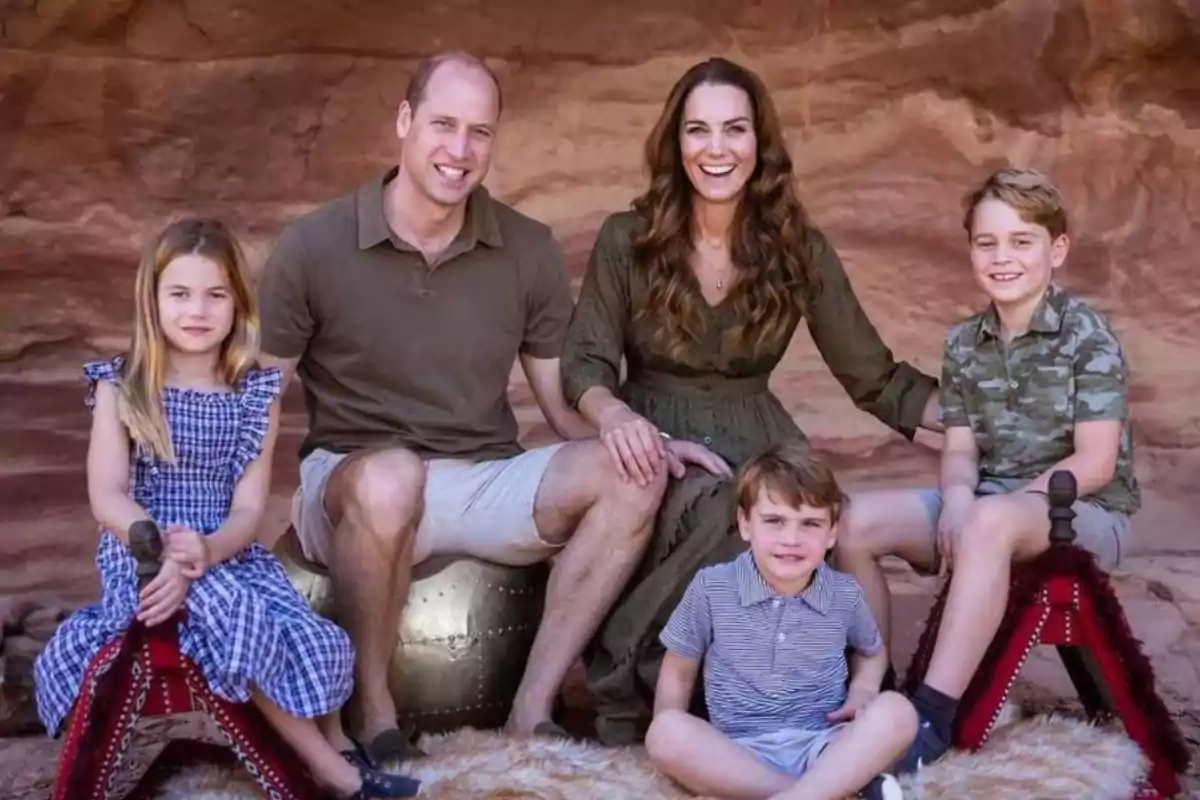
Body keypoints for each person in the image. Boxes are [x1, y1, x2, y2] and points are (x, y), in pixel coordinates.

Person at [256, 51, 721, 760]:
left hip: (478, 478)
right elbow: (256, 405)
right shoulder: (312, 245)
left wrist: (636, 436)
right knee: (392, 478)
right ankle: (373, 716)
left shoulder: (524, 248)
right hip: (351, 486)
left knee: (634, 474)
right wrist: (229, 526)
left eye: (480, 132)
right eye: (443, 124)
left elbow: (562, 402)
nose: (460, 150)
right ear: (405, 123)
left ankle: (530, 711)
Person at [559, 56, 943, 745]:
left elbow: (873, 376)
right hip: (657, 434)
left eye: (734, 130)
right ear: (675, 144)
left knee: (805, 516)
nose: (716, 149)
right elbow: (584, 362)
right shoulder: (627, 238)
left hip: (761, 431)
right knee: (723, 506)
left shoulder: (797, 248)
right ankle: (630, 691)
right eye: (698, 131)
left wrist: (978, 423)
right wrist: (616, 418)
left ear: (759, 144)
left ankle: (826, 707)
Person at [32, 218, 420, 798]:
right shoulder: (123, 386)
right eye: (180, 294)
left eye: (216, 295)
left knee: (307, 630)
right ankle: (338, 777)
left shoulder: (253, 393)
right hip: (140, 554)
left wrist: (210, 549)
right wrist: (157, 543)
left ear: (238, 304)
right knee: (228, 609)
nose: (198, 310)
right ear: (153, 300)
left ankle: (339, 743)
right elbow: (106, 494)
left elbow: (248, 508)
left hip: (227, 552)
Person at [833, 167, 1140, 771]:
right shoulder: (963, 344)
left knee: (989, 522)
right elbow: (961, 449)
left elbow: (1097, 463)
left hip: (1079, 512)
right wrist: (955, 499)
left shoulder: (1088, 338)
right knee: (854, 522)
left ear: (1056, 250)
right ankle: (876, 688)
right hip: (988, 504)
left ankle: (932, 717)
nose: (1003, 258)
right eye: (986, 242)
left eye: (1021, 242)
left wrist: (990, 513)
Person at [645, 442, 915, 800]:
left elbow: (871, 651)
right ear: (745, 524)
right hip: (738, 753)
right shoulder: (712, 588)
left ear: (831, 534)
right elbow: (679, 670)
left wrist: (862, 692)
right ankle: (816, 794)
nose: (791, 539)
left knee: (898, 712)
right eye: (774, 521)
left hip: (825, 747)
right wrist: (673, 734)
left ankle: (808, 791)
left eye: (810, 524)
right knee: (664, 733)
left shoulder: (844, 594)